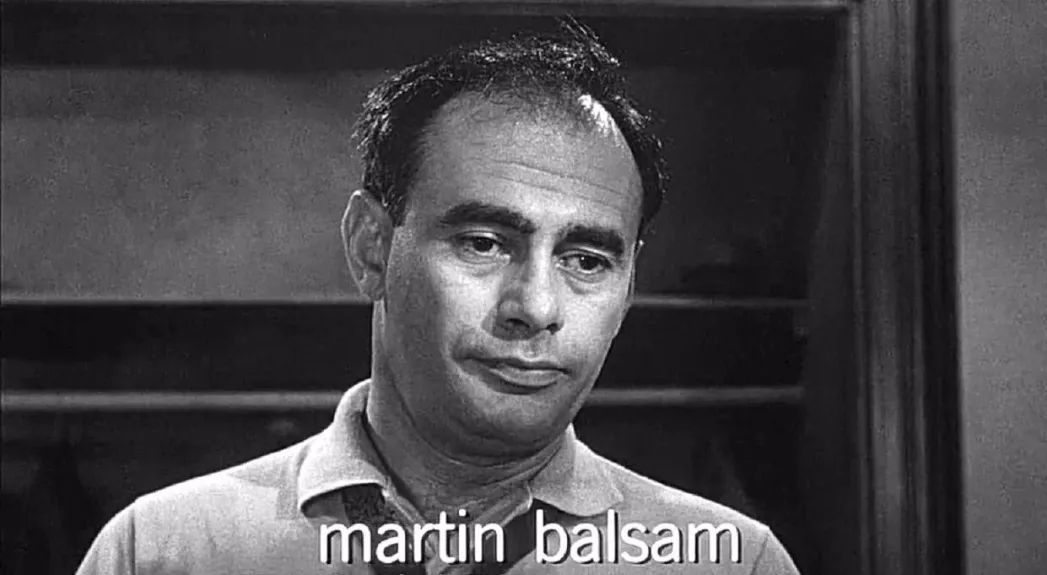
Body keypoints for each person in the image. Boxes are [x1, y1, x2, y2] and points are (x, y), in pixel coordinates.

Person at [77, 25, 800, 574]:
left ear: (628, 288)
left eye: (586, 260)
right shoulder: (165, 551)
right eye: (484, 243)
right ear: (371, 248)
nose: (535, 305)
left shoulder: (732, 563)